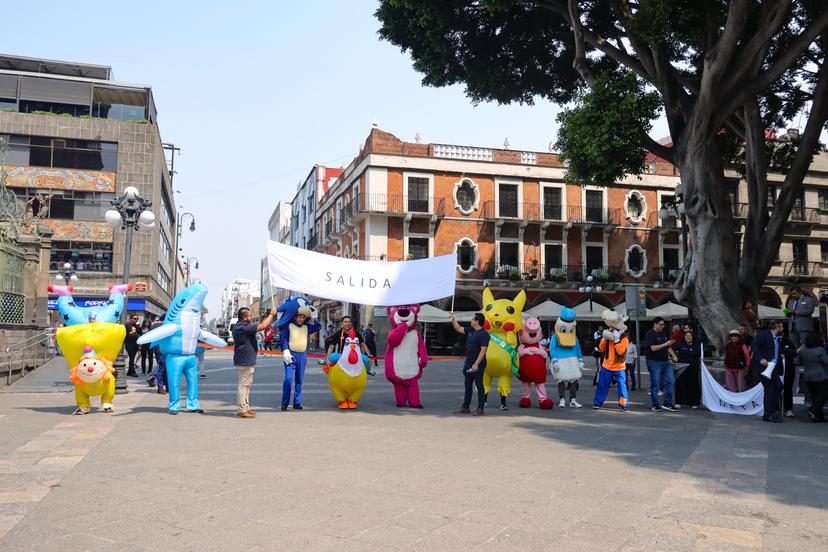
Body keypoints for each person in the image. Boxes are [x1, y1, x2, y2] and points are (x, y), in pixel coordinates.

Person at [232, 306, 276, 419]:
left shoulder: (240, 326)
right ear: (246, 317)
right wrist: (271, 314)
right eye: (250, 315)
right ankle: (242, 409)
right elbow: (263, 326)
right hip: (244, 360)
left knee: (246, 385)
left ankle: (245, 407)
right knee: (243, 385)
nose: (252, 317)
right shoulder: (242, 327)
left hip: (245, 359)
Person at [450, 312, 489, 416]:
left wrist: (476, 364)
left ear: (477, 321)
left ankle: (480, 408)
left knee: (479, 385)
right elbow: (458, 328)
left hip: (478, 364)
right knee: (468, 385)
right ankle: (465, 407)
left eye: (472, 319)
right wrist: (453, 319)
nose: (471, 321)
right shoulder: (470, 330)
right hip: (468, 362)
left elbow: (483, 350)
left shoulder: (484, 334)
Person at [592, 311, 630, 411]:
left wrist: (616, 340)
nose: (612, 329)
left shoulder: (624, 338)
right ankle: (598, 402)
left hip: (619, 367)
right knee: (602, 385)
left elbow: (620, 351)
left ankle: (624, 404)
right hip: (607, 366)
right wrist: (605, 338)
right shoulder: (608, 336)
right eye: (611, 327)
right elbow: (601, 348)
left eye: (614, 327)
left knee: (622, 387)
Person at [750, 320, 785, 423]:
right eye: (781, 327)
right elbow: (754, 345)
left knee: (778, 387)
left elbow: (777, 351)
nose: (783, 329)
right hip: (764, 368)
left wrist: (796, 351)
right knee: (770, 389)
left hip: (772, 368)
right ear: (776, 328)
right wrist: (761, 358)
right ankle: (768, 414)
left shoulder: (776, 339)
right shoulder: (764, 335)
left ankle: (772, 411)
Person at [645, 317, 678, 412]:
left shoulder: (663, 333)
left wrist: (674, 355)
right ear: (655, 324)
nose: (663, 326)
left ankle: (667, 403)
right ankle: (655, 405)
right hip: (654, 362)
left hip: (665, 361)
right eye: (661, 324)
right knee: (655, 384)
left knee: (671, 381)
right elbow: (653, 348)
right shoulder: (650, 334)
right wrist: (666, 343)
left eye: (663, 324)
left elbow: (668, 347)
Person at [799, 333, 828, 422]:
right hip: (820, 376)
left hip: (807, 376)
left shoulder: (803, 351)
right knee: (823, 395)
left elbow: (801, 361)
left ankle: (819, 417)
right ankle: (812, 410)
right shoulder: (820, 350)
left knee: (815, 396)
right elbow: (826, 362)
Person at [673, 331, 702, 408]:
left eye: (690, 336)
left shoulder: (697, 346)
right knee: (680, 384)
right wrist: (672, 357)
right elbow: (669, 348)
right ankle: (679, 402)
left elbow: (700, 357)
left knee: (693, 384)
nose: (688, 337)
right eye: (686, 335)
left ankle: (693, 403)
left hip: (693, 368)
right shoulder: (680, 345)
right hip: (681, 369)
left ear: (693, 337)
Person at [780, 336, 797, 417]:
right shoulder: (771, 340)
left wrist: (784, 352)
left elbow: (794, 352)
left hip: (789, 369)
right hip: (777, 370)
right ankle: (776, 408)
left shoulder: (788, 341)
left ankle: (788, 409)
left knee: (788, 389)